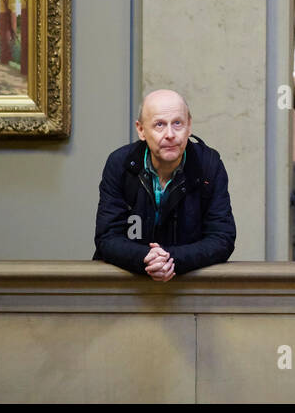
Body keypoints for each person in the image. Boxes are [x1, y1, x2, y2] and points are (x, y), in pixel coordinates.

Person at [93, 88, 236, 280]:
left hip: (189, 284)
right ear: (141, 130)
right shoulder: (120, 164)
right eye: (159, 125)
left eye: (177, 123)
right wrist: (146, 258)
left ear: (189, 126)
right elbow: (107, 237)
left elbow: (222, 239)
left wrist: (171, 259)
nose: (170, 134)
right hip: (126, 283)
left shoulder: (209, 165)